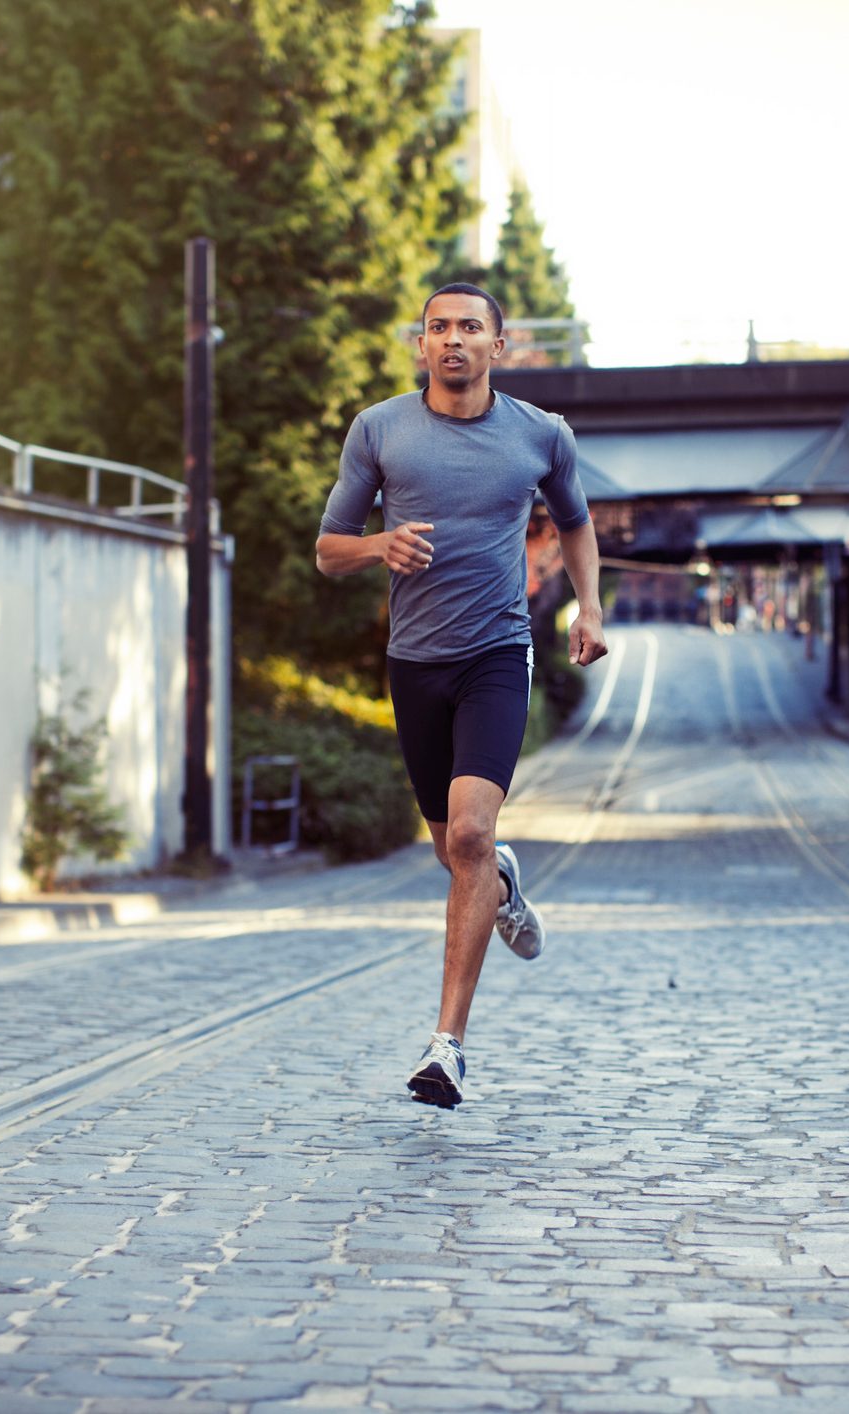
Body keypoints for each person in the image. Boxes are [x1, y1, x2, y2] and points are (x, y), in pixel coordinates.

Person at [315, 282, 608, 1110]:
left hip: (495, 654)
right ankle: (504, 885)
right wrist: (378, 543)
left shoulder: (541, 435)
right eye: (437, 328)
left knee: (472, 834)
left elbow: (576, 521)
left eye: (469, 328)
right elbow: (328, 551)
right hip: (415, 663)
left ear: (497, 345)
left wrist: (588, 607)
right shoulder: (379, 430)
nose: (452, 340)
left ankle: (446, 1046)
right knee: (456, 855)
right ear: (420, 346)